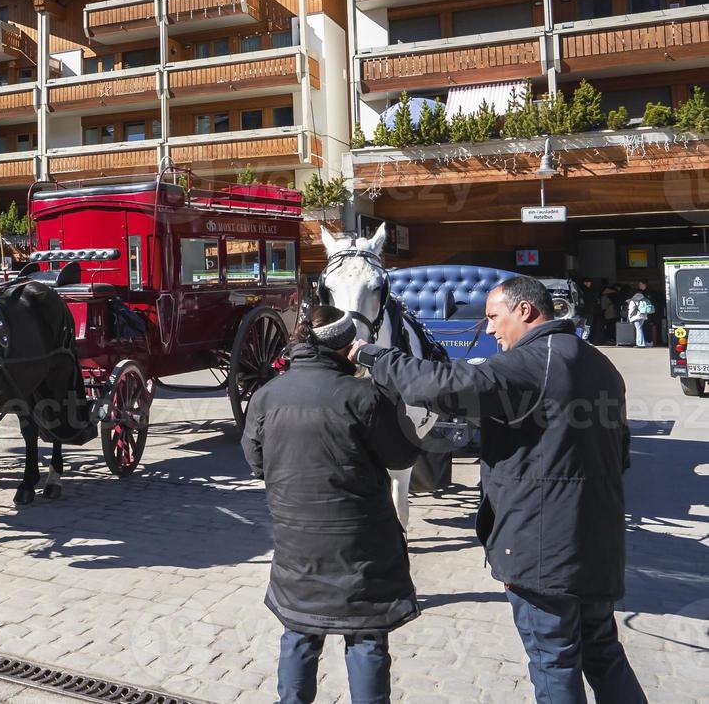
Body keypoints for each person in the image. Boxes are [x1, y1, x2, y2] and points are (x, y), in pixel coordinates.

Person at [351, 276, 644, 704]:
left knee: (555, 662)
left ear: (524, 311)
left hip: (543, 555)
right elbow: (621, 457)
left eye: (493, 317)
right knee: (604, 653)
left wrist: (377, 357)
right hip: (599, 547)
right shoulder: (599, 364)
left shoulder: (527, 365)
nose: (488, 329)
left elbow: (444, 385)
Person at [244, 305, 420, 704]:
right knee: (366, 637)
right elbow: (402, 458)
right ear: (347, 348)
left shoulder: (266, 395)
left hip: (296, 544)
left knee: (299, 632)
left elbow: (256, 463)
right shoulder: (364, 396)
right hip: (362, 548)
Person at [626, 282, 655, 349]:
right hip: (643, 316)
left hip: (636, 316)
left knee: (639, 329)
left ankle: (640, 343)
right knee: (641, 328)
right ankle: (643, 342)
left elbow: (631, 310)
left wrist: (630, 318)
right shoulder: (643, 298)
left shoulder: (633, 300)